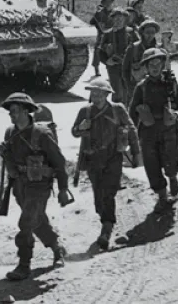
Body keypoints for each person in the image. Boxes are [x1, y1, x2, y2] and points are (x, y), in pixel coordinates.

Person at [0, 92, 70, 281]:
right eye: (10, 112)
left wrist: (63, 189)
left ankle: (23, 265)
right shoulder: (10, 132)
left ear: (25, 111)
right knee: (36, 220)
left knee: (26, 223)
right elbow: (11, 162)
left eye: (14, 111)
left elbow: (59, 163)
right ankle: (57, 247)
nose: (11, 115)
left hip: (39, 185)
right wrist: (6, 156)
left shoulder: (42, 134)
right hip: (20, 185)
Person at [71, 78, 141, 250]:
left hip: (112, 158)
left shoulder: (117, 110)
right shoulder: (85, 111)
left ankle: (106, 230)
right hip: (92, 159)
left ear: (107, 94)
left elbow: (131, 129)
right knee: (98, 198)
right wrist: (81, 127)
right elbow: (74, 132)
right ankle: (105, 219)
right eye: (93, 93)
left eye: (100, 93)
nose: (96, 96)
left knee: (108, 193)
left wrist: (136, 153)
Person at [128, 48, 178, 213]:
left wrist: (176, 114)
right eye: (151, 64)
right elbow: (131, 113)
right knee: (151, 165)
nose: (155, 67)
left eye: (158, 63)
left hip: (169, 131)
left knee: (171, 160)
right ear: (145, 67)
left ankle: (173, 177)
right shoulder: (141, 87)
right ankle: (162, 197)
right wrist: (129, 136)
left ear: (163, 65)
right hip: (148, 133)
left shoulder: (171, 84)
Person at [98, 8, 135, 104]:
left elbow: (138, 47)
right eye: (116, 19)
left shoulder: (131, 32)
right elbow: (100, 51)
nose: (118, 21)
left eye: (121, 19)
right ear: (112, 20)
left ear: (125, 20)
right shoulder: (108, 34)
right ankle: (117, 113)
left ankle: (128, 113)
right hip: (113, 67)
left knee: (129, 91)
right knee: (117, 92)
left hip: (128, 66)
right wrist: (107, 61)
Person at [122, 19, 160, 104]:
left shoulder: (159, 49)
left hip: (155, 90)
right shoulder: (133, 48)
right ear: (142, 32)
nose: (150, 35)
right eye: (147, 32)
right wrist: (129, 88)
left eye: (153, 32)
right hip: (135, 87)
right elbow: (125, 70)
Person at [89, 0, 115, 77]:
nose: (108, 4)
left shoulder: (114, 12)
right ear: (103, 4)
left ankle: (111, 69)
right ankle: (96, 69)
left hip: (113, 34)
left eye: (109, 2)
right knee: (97, 50)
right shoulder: (99, 13)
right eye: (106, 2)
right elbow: (92, 22)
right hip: (102, 34)